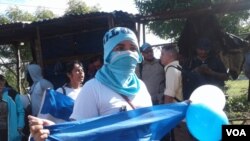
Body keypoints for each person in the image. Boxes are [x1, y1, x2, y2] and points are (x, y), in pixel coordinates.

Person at [28, 27, 153, 141]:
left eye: (133, 48)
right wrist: (56, 133)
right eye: (120, 48)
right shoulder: (92, 88)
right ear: (108, 55)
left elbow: (150, 126)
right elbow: (78, 134)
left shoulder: (141, 87)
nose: (128, 53)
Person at [0, 75, 25, 141]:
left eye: (1, 83)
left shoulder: (12, 94)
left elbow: (20, 112)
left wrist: (20, 126)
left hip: (12, 132)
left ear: (4, 82)